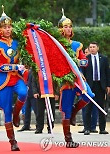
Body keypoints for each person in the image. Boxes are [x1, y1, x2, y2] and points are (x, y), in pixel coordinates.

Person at [0, 6, 28, 151]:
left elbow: (24, 58)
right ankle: (12, 141)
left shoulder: (18, 43)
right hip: (4, 81)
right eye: (5, 27)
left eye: (9, 26)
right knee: (6, 111)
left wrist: (23, 66)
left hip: (17, 78)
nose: (7, 29)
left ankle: (17, 114)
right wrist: (14, 67)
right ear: (0, 29)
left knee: (24, 93)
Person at [58, 10, 95, 148]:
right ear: (61, 29)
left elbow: (84, 61)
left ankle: (75, 112)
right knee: (66, 109)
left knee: (89, 96)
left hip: (79, 77)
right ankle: (68, 139)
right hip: (66, 79)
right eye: (66, 26)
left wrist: (79, 62)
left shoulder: (77, 45)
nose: (68, 29)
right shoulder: (57, 46)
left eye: (70, 26)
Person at [82, 42, 110, 135]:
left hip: (100, 85)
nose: (92, 49)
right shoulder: (85, 59)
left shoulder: (104, 59)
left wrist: (108, 85)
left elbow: (107, 73)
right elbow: (83, 74)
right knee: (88, 107)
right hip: (89, 86)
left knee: (101, 107)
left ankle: (102, 128)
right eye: (90, 47)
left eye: (94, 47)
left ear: (98, 48)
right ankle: (87, 128)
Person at [78, 47, 98, 133]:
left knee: (94, 108)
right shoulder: (82, 63)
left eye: (87, 52)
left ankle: (93, 126)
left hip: (93, 88)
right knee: (84, 108)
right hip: (84, 88)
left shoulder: (93, 62)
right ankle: (86, 126)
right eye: (84, 52)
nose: (85, 54)